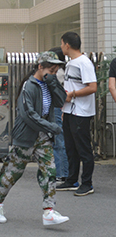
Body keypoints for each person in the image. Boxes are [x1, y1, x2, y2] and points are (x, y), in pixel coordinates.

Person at [0, 51, 69, 226]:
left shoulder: (48, 84)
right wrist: (51, 127)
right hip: (26, 135)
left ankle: (49, 211)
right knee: (13, 172)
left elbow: (61, 100)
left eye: (56, 72)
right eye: (51, 71)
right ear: (40, 67)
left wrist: (53, 82)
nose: (53, 74)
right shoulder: (29, 86)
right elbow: (28, 114)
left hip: (43, 136)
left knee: (50, 171)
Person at [57, 32, 97, 196]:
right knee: (70, 148)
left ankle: (87, 183)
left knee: (83, 149)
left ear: (67, 45)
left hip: (81, 112)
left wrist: (72, 95)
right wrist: (64, 109)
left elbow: (92, 87)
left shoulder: (84, 63)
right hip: (69, 111)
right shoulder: (71, 63)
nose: (61, 47)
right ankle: (71, 180)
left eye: (61, 44)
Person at [48, 46, 68, 182]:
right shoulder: (62, 71)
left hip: (57, 108)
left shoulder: (58, 73)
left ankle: (61, 173)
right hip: (59, 108)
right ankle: (62, 172)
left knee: (58, 140)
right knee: (58, 139)